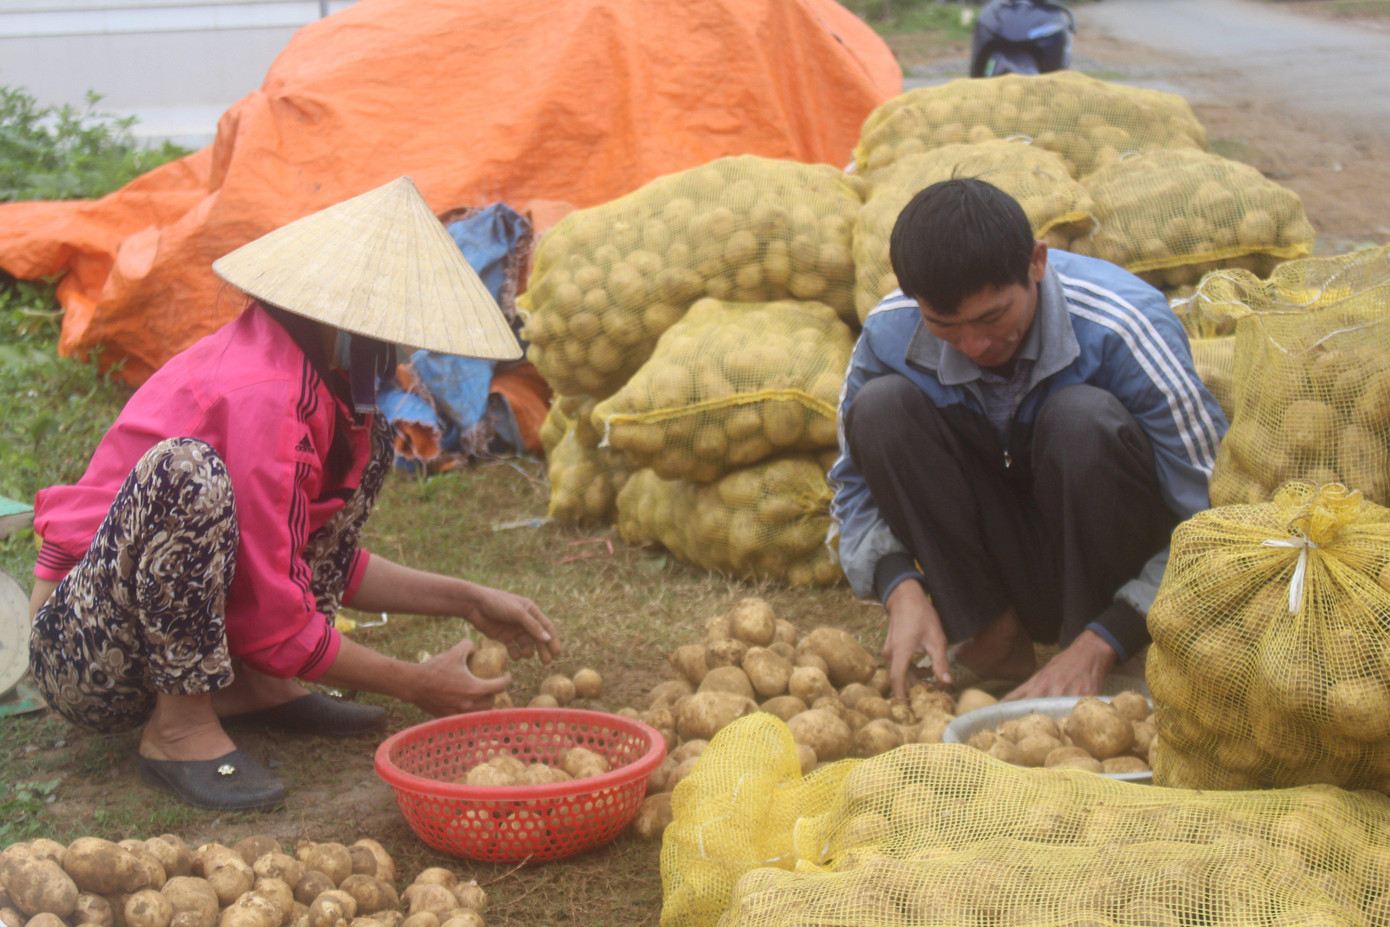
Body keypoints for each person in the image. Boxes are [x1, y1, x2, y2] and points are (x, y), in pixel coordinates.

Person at [27, 177, 560, 811]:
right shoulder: (265, 393)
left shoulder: (320, 383)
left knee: (373, 445)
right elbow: (275, 619)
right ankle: (179, 727)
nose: (402, 351)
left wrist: (467, 599)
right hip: (84, 649)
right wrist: (415, 683)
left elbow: (300, 554)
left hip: (147, 630)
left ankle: (261, 686)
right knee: (186, 473)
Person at [829, 178, 1226, 701]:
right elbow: (852, 487)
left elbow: (1215, 520)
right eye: (945, 325)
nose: (974, 344)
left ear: (1037, 262)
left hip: (1110, 563)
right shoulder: (890, 332)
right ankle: (991, 635)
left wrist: (1112, 633)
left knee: (1081, 419)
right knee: (879, 410)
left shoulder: (1122, 326)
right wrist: (898, 584)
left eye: (993, 317)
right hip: (1003, 560)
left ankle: (1092, 649)